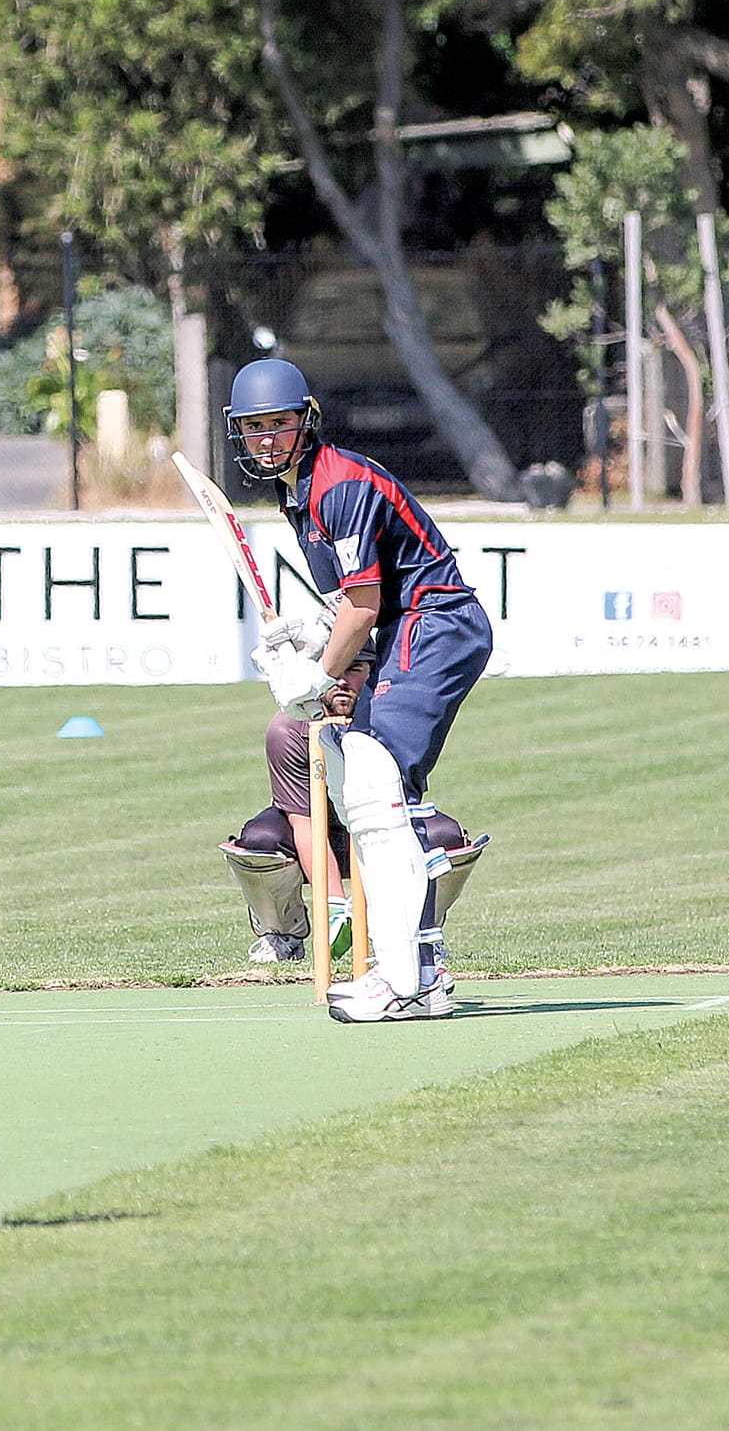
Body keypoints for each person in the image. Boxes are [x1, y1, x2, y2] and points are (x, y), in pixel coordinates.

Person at [226, 357, 493, 1023]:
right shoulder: (299, 492)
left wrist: (314, 677)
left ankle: (403, 979)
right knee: (374, 789)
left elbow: (367, 607)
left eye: (278, 425)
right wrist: (314, 629)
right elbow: (354, 598)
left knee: (373, 785)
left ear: (305, 421)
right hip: (416, 623)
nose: (266, 439)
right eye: (253, 427)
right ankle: (419, 975)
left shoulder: (336, 485)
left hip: (433, 624)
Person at [221, 651, 490, 992]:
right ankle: (281, 933)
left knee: (446, 838)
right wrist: (333, 904)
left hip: (379, 825)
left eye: (356, 669)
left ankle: (421, 934)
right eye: (335, 670)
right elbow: (304, 823)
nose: (343, 681)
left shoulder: (394, 721)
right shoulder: (287, 728)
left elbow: (400, 817)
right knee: (259, 842)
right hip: (315, 832)